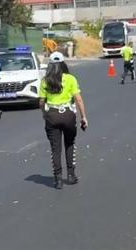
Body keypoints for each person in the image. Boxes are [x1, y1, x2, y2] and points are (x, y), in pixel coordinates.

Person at [39, 52, 88, 190]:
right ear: (63, 64)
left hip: (52, 115)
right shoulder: (70, 79)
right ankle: (71, 175)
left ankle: (58, 179)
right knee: (69, 144)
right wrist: (83, 117)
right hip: (68, 115)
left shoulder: (45, 81)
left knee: (55, 148)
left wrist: (44, 114)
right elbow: (78, 99)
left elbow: (42, 101)